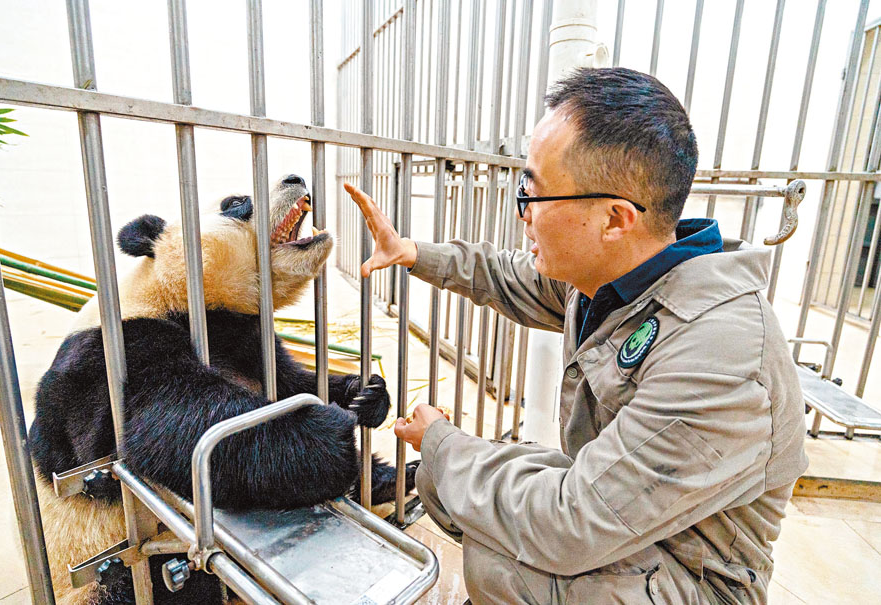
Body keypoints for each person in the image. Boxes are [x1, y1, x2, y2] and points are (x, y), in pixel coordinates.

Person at [345, 67, 807, 604]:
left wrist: (442, 442)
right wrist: (412, 253)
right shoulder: (620, 274)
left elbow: (570, 523)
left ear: (614, 219)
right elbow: (505, 275)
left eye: (534, 192)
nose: (523, 212)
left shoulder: (719, 355)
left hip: (698, 577)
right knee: (449, 485)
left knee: (500, 561)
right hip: (631, 523)